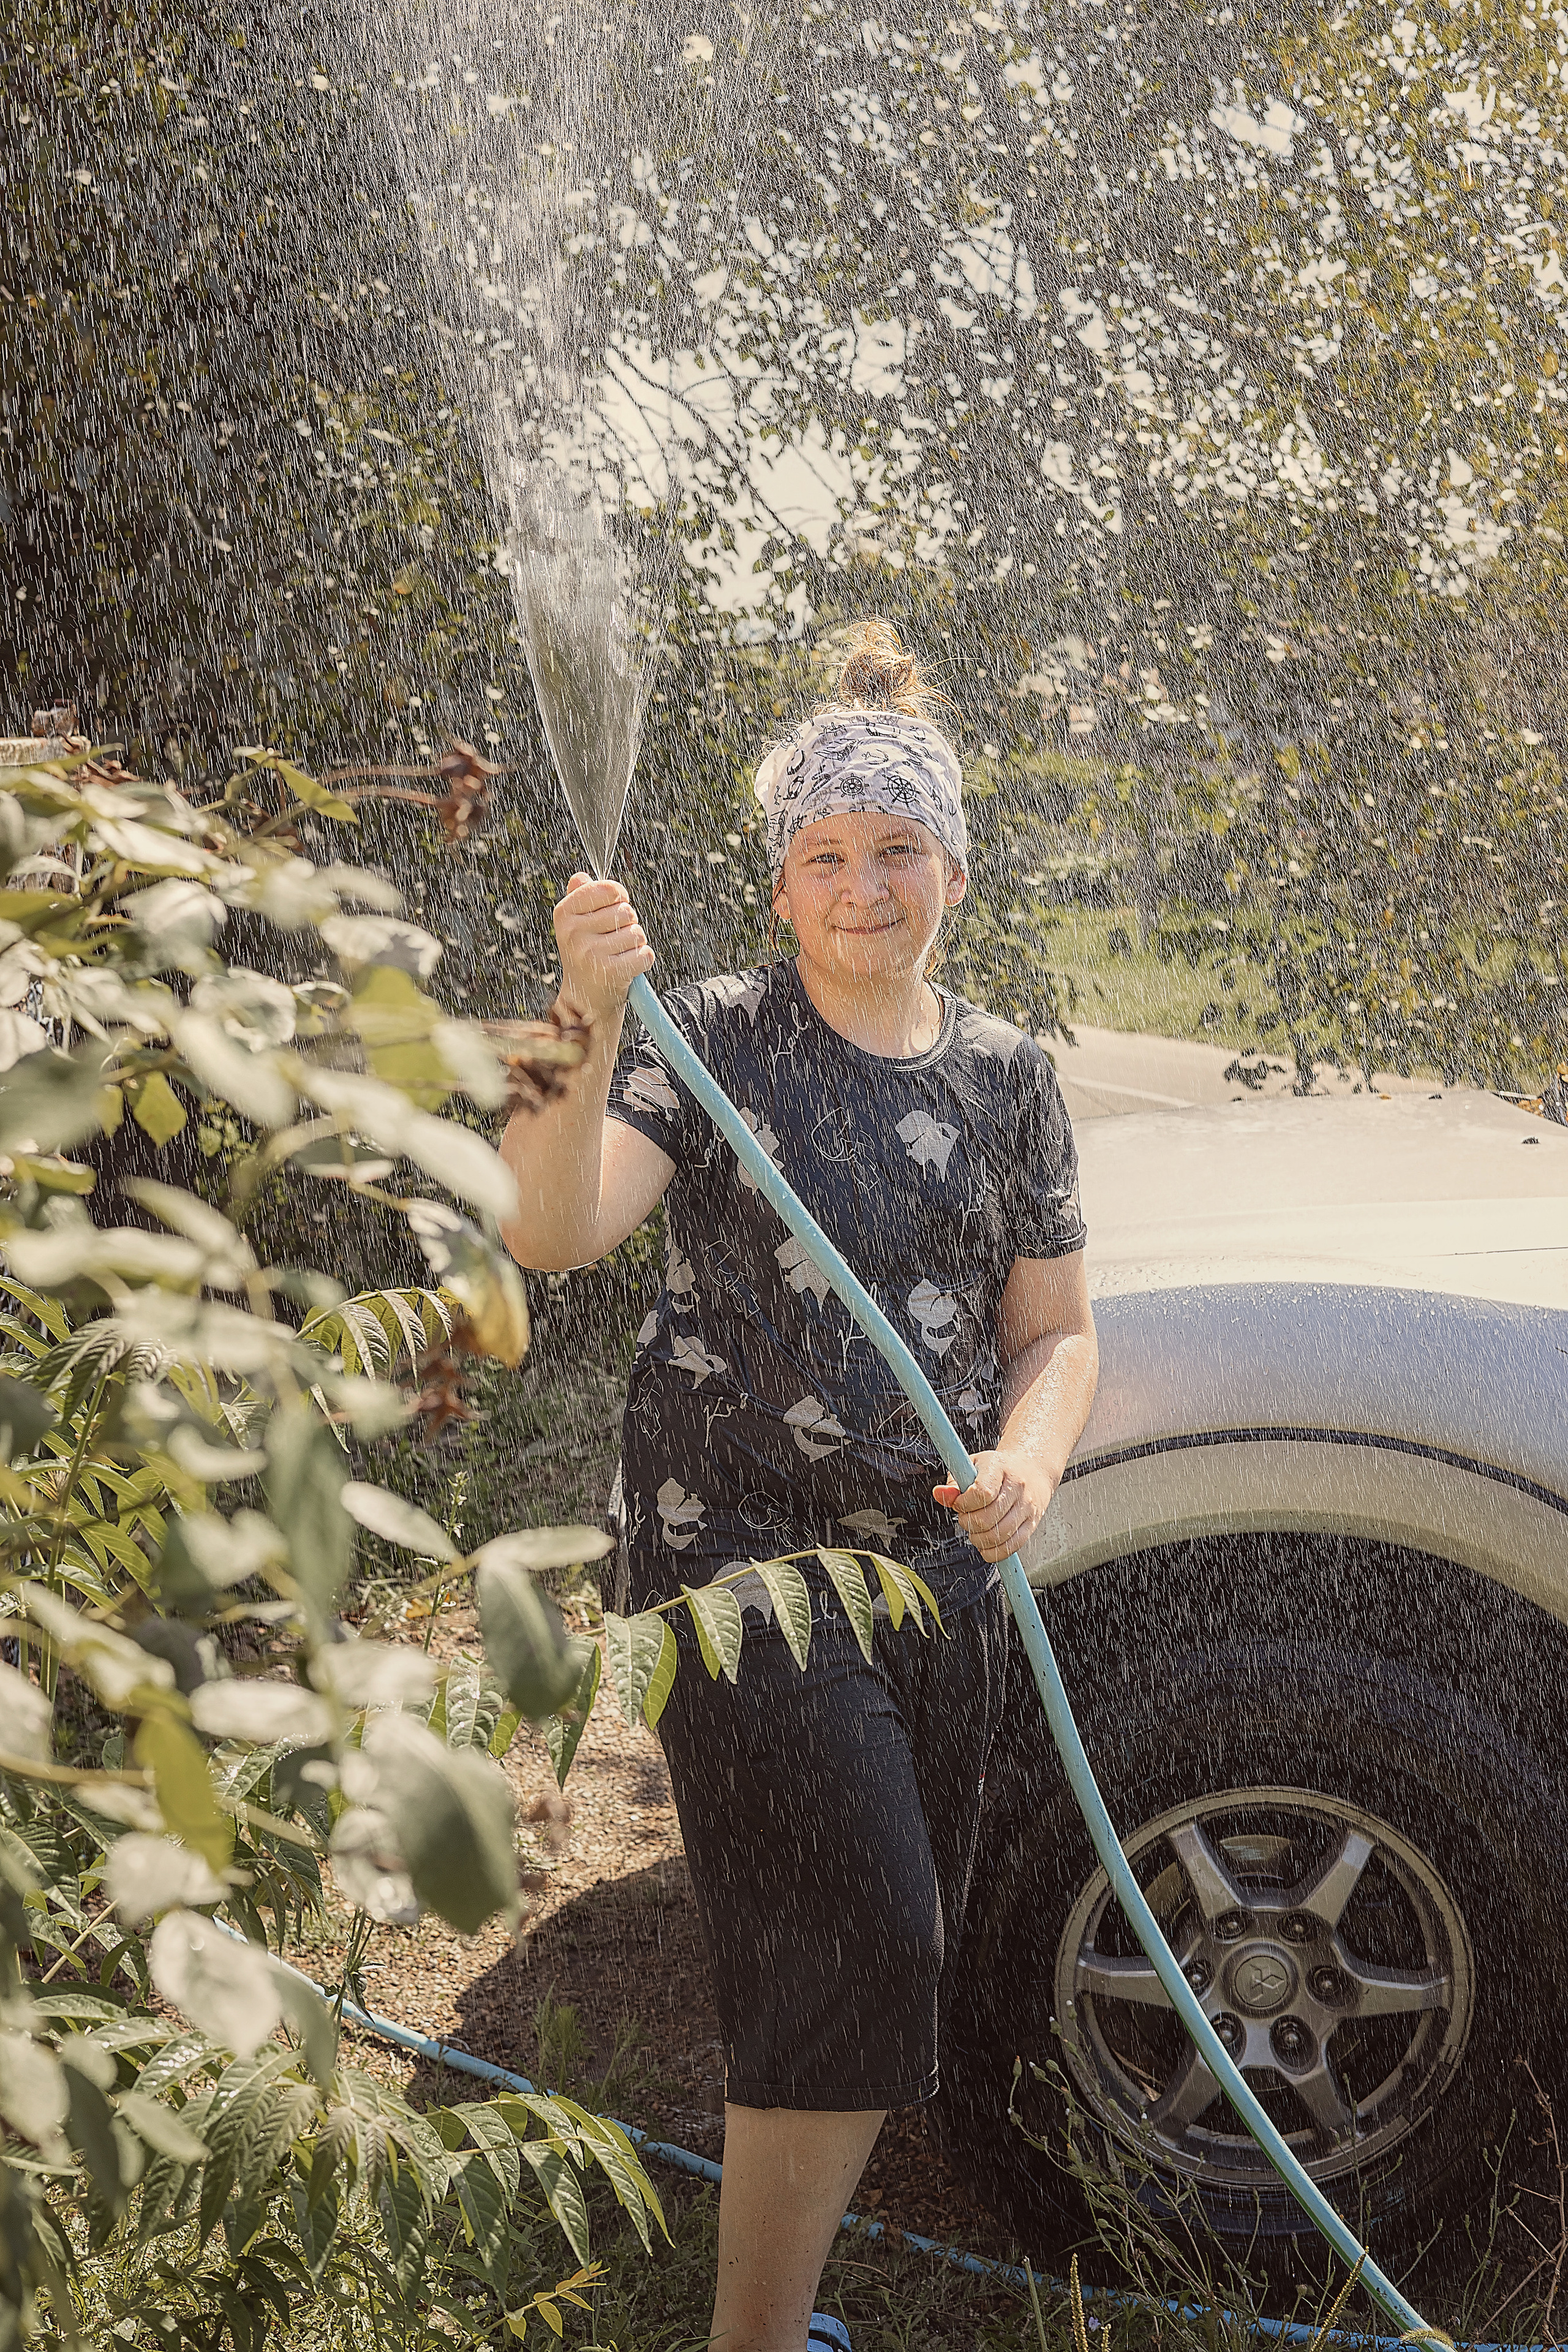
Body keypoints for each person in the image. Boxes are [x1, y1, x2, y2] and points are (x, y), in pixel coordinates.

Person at [500, 622, 1099, 2352]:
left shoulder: (1007, 1076)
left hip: (932, 1569)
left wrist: (1030, 1458)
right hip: (735, 1561)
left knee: (877, 1935)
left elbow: (1056, 1327)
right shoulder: (708, 1039)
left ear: (956, 871)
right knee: (858, 1928)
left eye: (896, 849)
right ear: (780, 887)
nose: (862, 885)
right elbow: (547, 1231)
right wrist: (580, 1015)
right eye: (826, 855)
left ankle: (777, 2311)